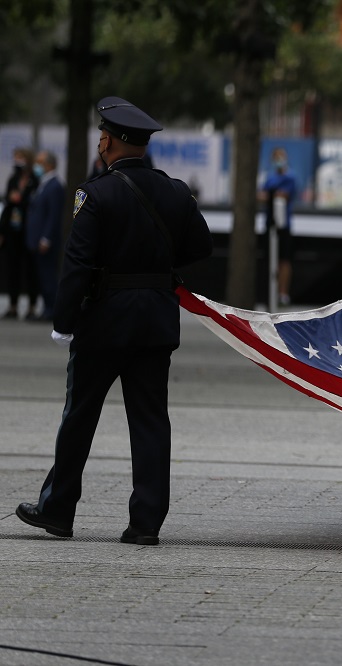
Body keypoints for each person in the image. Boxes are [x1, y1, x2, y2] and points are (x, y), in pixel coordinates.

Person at [15, 96, 213, 545]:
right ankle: (145, 524)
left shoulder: (96, 193)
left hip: (103, 319)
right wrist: (159, 267)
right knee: (150, 420)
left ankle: (58, 510)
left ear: (110, 141)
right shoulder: (177, 191)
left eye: (102, 134)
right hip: (156, 320)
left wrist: (63, 321)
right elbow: (201, 247)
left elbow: (78, 262)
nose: (100, 139)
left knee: (79, 415)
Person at [25, 150, 65, 321]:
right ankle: (47, 308)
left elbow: (53, 216)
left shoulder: (55, 185)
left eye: (39, 162)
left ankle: (52, 310)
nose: (36, 166)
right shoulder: (43, 183)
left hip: (46, 241)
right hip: (36, 240)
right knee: (42, 275)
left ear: (49, 164)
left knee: (48, 275)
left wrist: (46, 238)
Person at [0, 147, 39, 319]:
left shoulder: (35, 180)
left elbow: (35, 206)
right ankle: (13, 305)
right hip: (13, 231)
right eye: (15, 157)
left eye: (20, 157)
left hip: (29, 231)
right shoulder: (13, 179)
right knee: (12, 268)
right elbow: (7, 207)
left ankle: (32, 306)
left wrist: (21, 200)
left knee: (30, 269)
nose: (17, 161)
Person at [258, 147, 297, 306]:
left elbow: (283, 195)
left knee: (284, 259)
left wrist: (270, 195)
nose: (279, 159)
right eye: (276, 157)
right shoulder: (270, 178)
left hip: (283, 225)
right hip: (269, 223)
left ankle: (283, 293)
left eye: (282, 156)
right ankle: (269, 292)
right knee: (269, 259)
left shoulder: (291, 177)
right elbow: (261, 196)